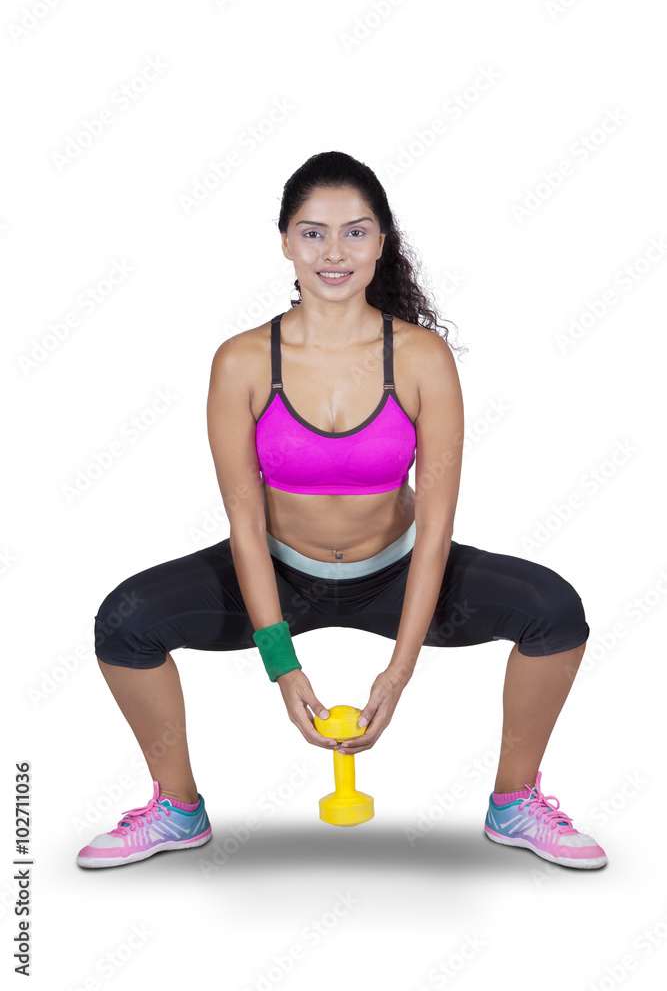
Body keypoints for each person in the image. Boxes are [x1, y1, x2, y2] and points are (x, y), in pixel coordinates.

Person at [77, 150, 606, 870]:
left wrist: (401, 667)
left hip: (394, 575)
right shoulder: (240, 361)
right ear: (286, 243)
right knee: (125, 620)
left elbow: (438, 526)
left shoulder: (420, 358)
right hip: (275, 572)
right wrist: (280, 662)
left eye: (355, 233)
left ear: (381, 242)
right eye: (313, 232)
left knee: (553, 609)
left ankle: (513, 802)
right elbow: (242, 522)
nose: (334, 252)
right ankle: (177, 808)